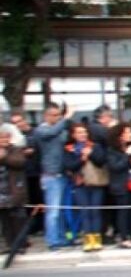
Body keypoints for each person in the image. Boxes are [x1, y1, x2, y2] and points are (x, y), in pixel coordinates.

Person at [62, 123, 107, 252]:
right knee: (85, 211)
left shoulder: (95, 146)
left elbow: (101, 161)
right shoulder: (69, 149)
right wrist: (82, 159)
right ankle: (87, 239)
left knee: (95, 211)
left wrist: (91, 154)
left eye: (84, 132)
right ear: (73, 135)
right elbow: (69, 166)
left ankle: (97, 239)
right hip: (80, 184)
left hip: (95, 182)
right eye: (79, 132)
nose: (83, 134)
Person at [37, 102, 72, 249]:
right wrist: (66, 118)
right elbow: (53, 132)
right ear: (46, 116)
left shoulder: (59, 129)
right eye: (55, 115)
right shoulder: (42, 130)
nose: (58, 118)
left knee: (62, 211)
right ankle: (53, 241)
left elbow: (64, 137)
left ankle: (62, 237)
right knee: (53, 212)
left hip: (62, 174)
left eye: (59, 115)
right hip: (51, 176)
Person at [106, 123, 131, 248]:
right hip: (120, 185)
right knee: (123, 211)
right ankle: (123, 236)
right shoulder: (112, 150)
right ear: (120, 136)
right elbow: (115, 167)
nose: (130, 134)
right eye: (127, 132)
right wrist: (127, 156)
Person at [0, 130, 28, 255]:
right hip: (1, 192)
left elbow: (20, 162)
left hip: (14, 190)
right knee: (5, 221)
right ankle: (10, 245)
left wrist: (4, 157)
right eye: (1, 139)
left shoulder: (16, 150)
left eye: (5, 138)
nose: (3, 141)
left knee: (18, 219)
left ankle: (20, 245)